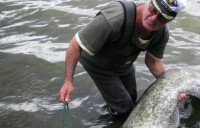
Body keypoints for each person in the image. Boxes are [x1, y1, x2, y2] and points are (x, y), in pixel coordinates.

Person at [59, 0, 187, 116]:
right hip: (99, 64)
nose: (154, 18)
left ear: (169, 20)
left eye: (162, 18)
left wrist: (173, 87)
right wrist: (68, 82)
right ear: (148, 2)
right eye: (153, 9)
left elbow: (153, 62)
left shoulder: (161, 33)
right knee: (124, 108)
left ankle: (111, 105)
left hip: (124, 63)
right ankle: (114, 126)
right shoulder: (114, 18)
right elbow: (75, 44)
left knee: (132, 99)